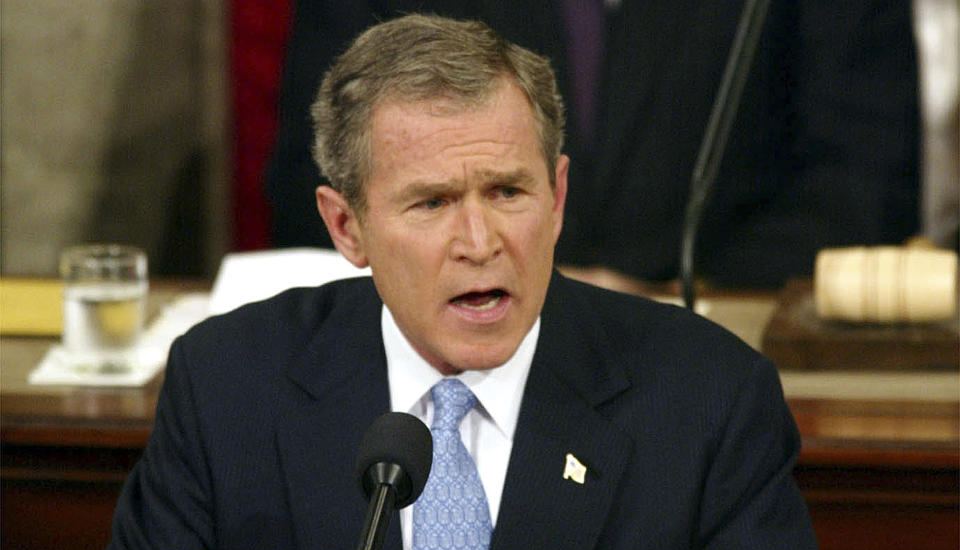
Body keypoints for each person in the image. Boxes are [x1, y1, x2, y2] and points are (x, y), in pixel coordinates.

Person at [30, 14, 857, 550]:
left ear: (559, 195)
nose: (480, 239)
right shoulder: (233, 383)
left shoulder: (704, 394)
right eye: (430, 202)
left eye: (508, 191)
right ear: (345, 226)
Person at [267, 1, 921, 289]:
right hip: (447, 358)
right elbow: (318, 176)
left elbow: (868, 184)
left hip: (724, 338)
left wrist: (656, 298)